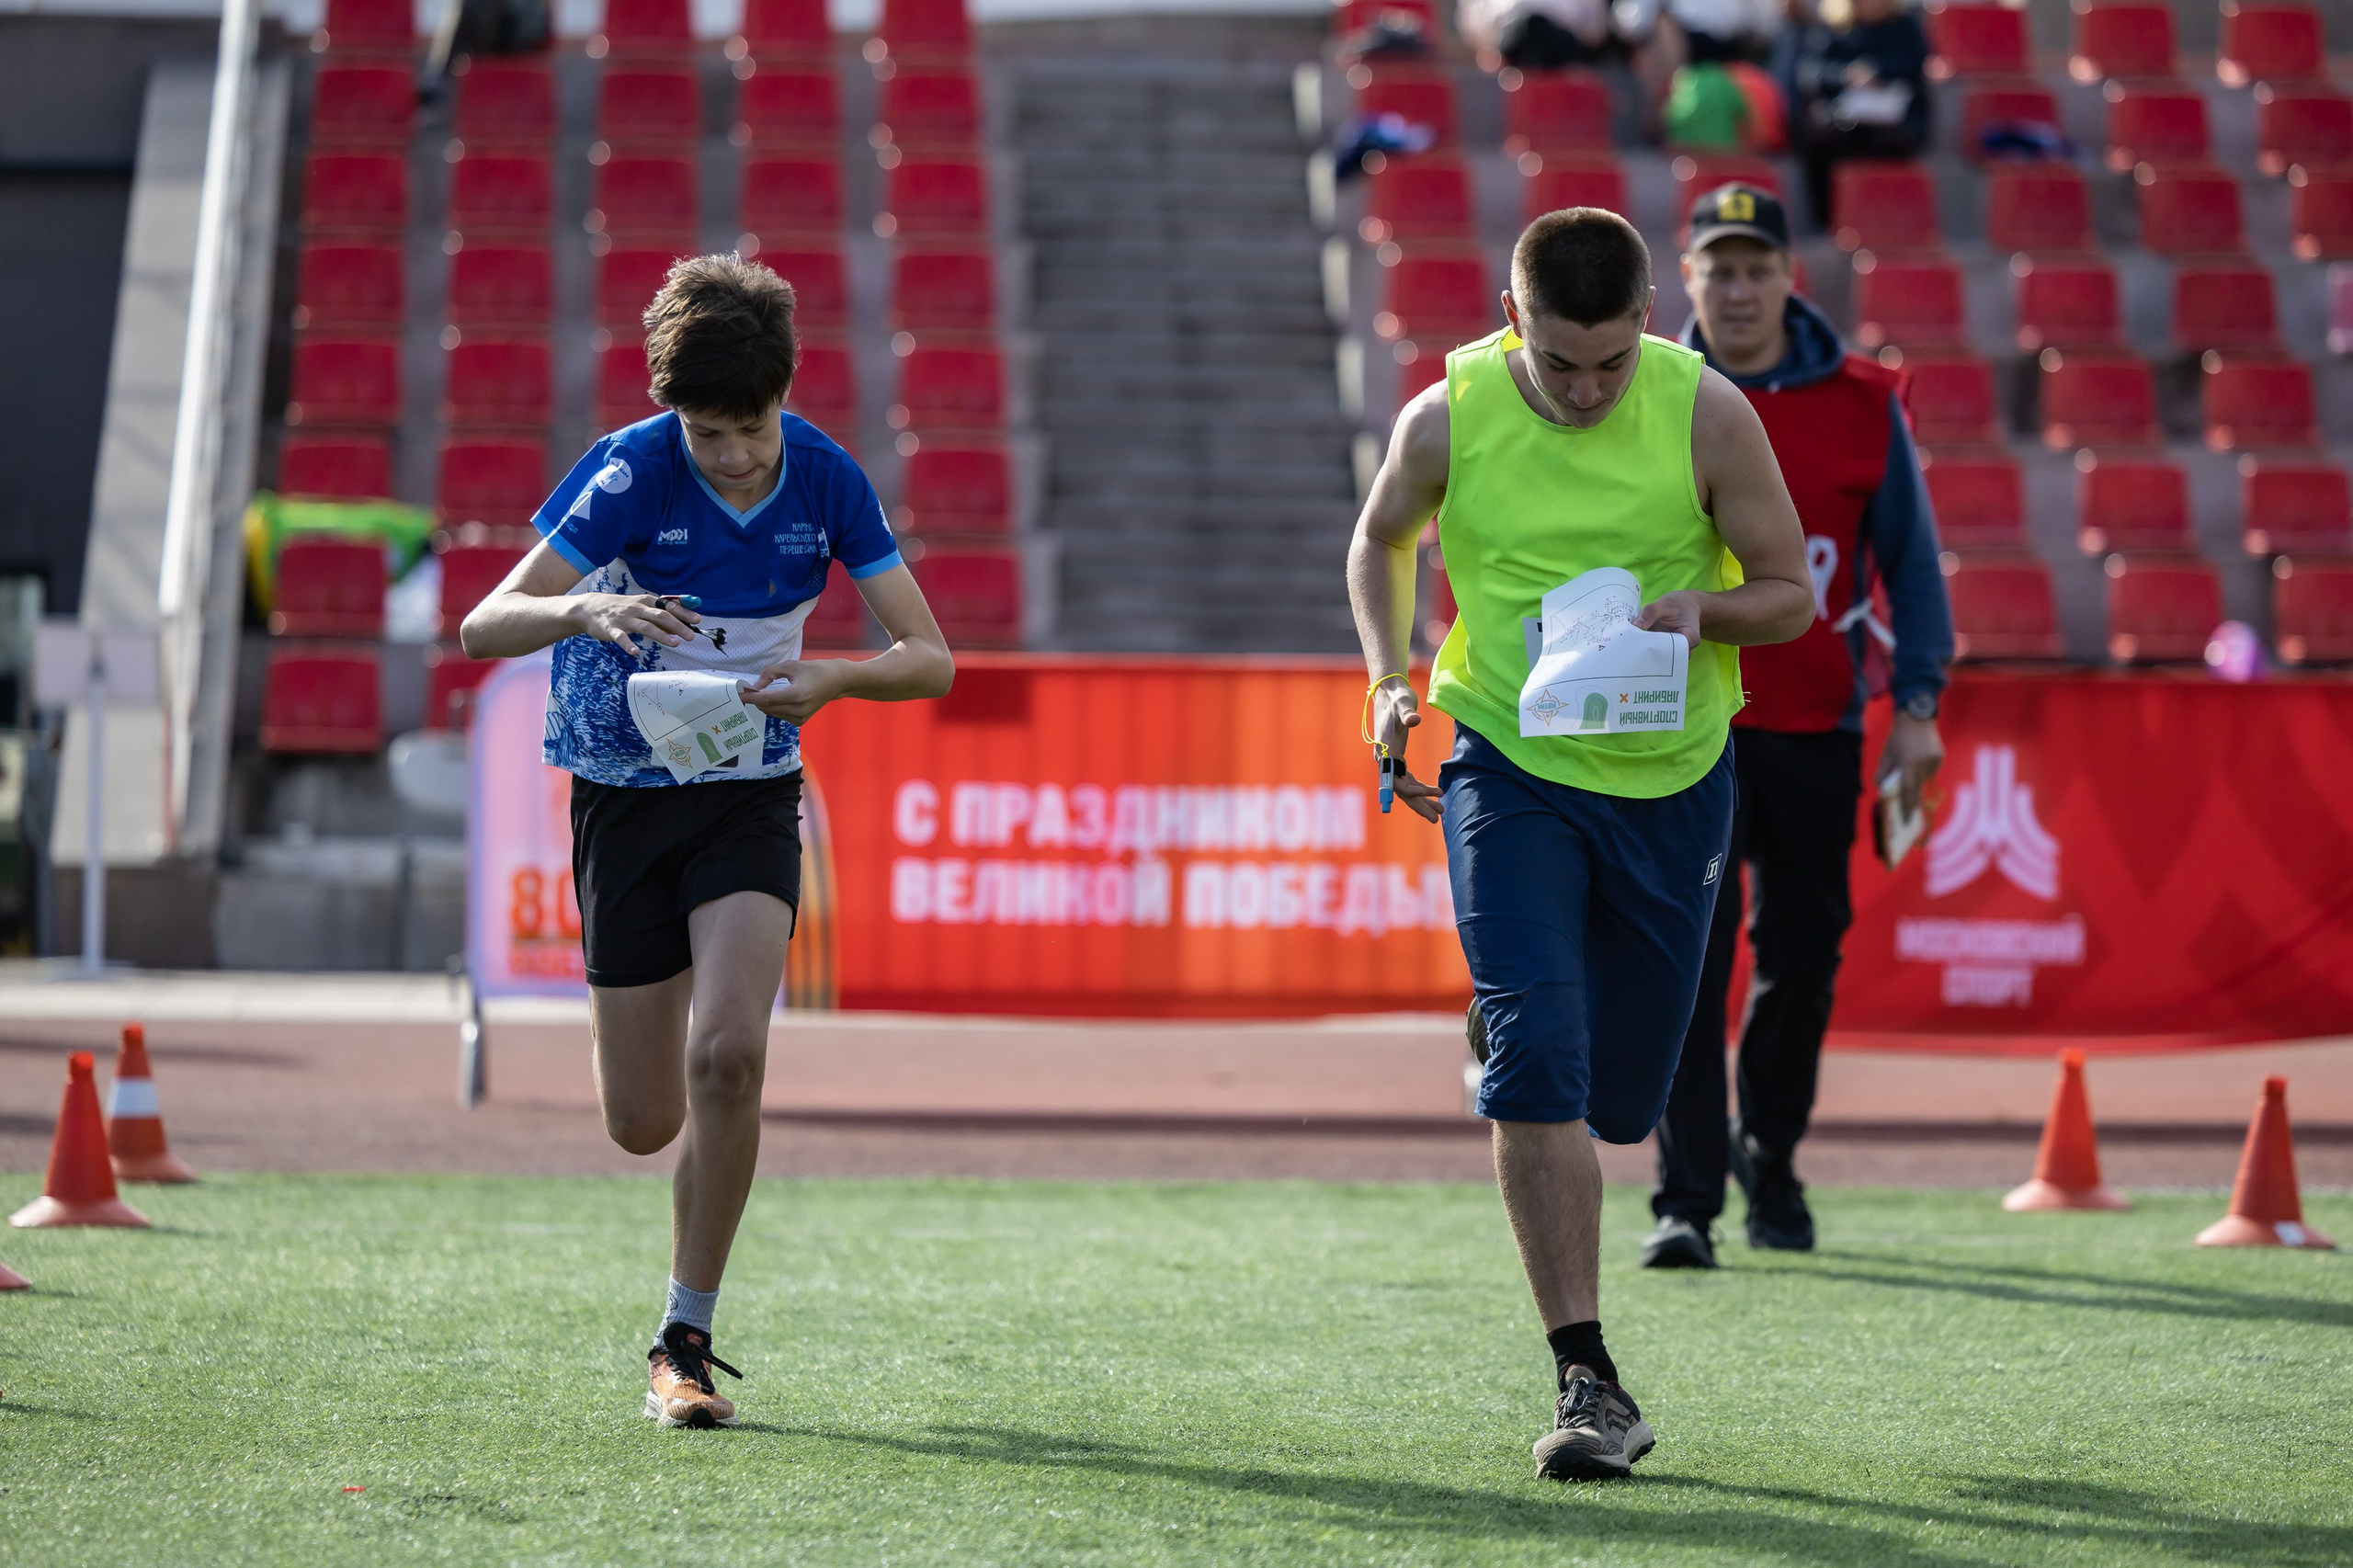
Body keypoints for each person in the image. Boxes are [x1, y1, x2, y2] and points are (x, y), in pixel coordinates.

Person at [1347, 208, 1812, 1479]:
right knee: (1540, 1060)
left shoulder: (1707, 412)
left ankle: (1515, 1028)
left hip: (1674, 780)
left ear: (1649, 320)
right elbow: (1383, 537)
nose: (1589, 388)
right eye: (1561, 364)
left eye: (1612, 360)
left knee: (1620, 1097)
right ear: (1514, 323)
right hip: (1508, 756)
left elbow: (1790, 591)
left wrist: (1702, 609)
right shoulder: (1446, 416)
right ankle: (1587, 1376)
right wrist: (1391, 680)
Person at [460, 255, 954, 1427]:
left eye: (749, 428)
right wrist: (585, 604)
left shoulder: (826, 478)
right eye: (707, 431)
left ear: (785, 400)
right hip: (624, 800)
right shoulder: (630, 469)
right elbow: (487, 624)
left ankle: (685, 1335)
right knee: (643, 1120)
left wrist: (830, 678)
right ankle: (670, 1231)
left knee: (728, 1054)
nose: (730, 454)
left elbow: (928, 657)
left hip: (748, 791)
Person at [1643, 185, 1951, 1269]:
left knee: (1802, 960)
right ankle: (1684, 1195)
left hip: (1817, 722)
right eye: (1715, 268)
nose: (1734, 288)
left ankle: (1768, 1153)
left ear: (1787, 278)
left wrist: (1916, 706)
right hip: (1679, 728)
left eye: (1754, 268)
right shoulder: (1645, 392)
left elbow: (1912, 562)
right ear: (1684, 279)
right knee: (1687, 961)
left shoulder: (1866, 400)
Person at [1786, 0, 1930, 225]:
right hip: (1843, 122)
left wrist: (1877, 74)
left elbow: (1915, 64)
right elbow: (1811, 73)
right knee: (1819, 145)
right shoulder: (1832, 30)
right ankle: (1828, 223)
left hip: (1894, 123)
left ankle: (1890, 225)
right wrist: (1847, 75)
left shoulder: (1904, 28)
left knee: (1888, 146)